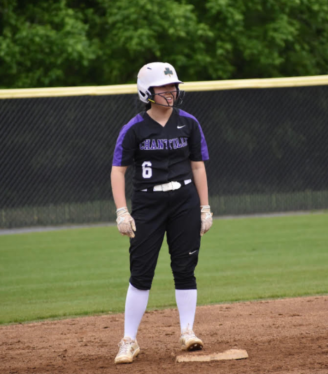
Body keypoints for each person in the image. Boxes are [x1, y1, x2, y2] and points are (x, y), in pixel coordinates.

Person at [111, 62, 213, 365]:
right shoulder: (134, 128)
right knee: (141, 274)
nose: (171, 91)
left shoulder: (189, 123)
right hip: (147, 204)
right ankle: (129, 340)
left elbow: (198, 166)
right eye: (163, 87)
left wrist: (205, 207)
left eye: (173, 86)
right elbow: (118, 172)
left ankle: (187, 331)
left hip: (184, 201)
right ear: (147, 92)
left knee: (185, 268)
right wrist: (121, 211)